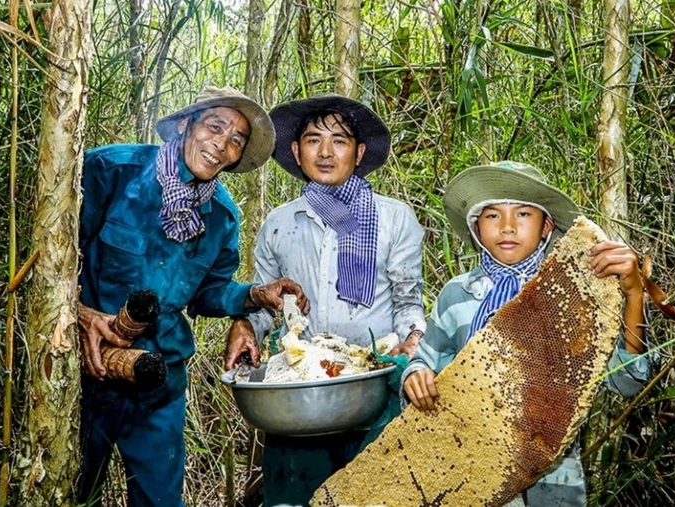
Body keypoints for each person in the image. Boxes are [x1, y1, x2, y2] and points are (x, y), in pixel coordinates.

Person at [76, 87, 309, 507]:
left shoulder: (222, 217)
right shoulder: (111, 171)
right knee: (71, 488)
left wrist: (258, 294)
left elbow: (209, 294)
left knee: (161, 500)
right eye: (215, 127)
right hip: (85, 372)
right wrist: (80, 313)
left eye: (236, 140)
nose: (222, 144)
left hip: (158, 380)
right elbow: (48, 263)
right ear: (186, 125)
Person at [402, 161, 653, 506]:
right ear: (476, 227)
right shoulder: (456, 294)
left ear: (546, 226)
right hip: (464, 471)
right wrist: (416, 376)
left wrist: (635, 295)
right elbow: (425, 360)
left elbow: (628, 380)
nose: (507, 227)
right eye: (492, 216)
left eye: (523, 214)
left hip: (551, 482)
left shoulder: (573, 298)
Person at [225, 94, 426, 506]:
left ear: (360, 152)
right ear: (297, 153)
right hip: (301, 395)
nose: (327, 152)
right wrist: (246, 325)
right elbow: (269, 303)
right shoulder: (279, 224)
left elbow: (408, 303)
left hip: (375, 387)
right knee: (298, 496)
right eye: (314, 140)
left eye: (340, 140)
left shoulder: (393, 218)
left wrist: (415, 340)